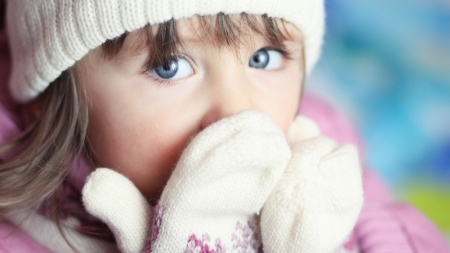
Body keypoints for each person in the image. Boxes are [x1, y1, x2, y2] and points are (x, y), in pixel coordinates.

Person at [0, 0, 448, 252]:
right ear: (50, 97)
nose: (240, 112)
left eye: (263, 59)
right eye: (170, 66)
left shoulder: (317, 146)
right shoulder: (21, 231)